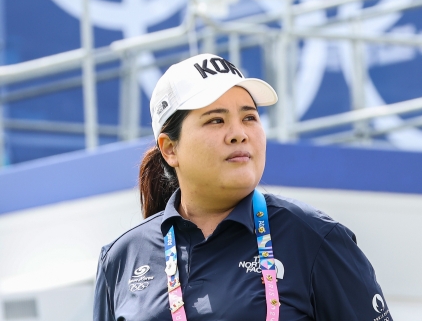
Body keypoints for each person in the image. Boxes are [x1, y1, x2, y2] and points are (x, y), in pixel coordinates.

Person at [93, 53, 392, 321]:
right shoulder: (121, 259)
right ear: (170, 148)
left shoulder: (315, 239)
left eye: (249, 117)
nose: (239, 134)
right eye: (216, 120)